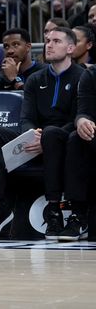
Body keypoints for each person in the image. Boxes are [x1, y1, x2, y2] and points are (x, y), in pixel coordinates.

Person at [0, 27, 83, 239]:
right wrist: (32, 135)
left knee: (53, 133)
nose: (49, 45)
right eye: (47, 41)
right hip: (37, 138)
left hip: (65, 139)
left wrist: (44, 137)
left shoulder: (83, 76)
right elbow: (26, 118)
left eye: (56, 41)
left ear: (71, 48)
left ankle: (54, 210)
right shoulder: (35, 79)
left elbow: (78, 118)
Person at [59, 54, 96, 241]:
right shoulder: (91, 75)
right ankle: (78, 216)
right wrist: (82, 121)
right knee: (77, 137)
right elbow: (84, 111)